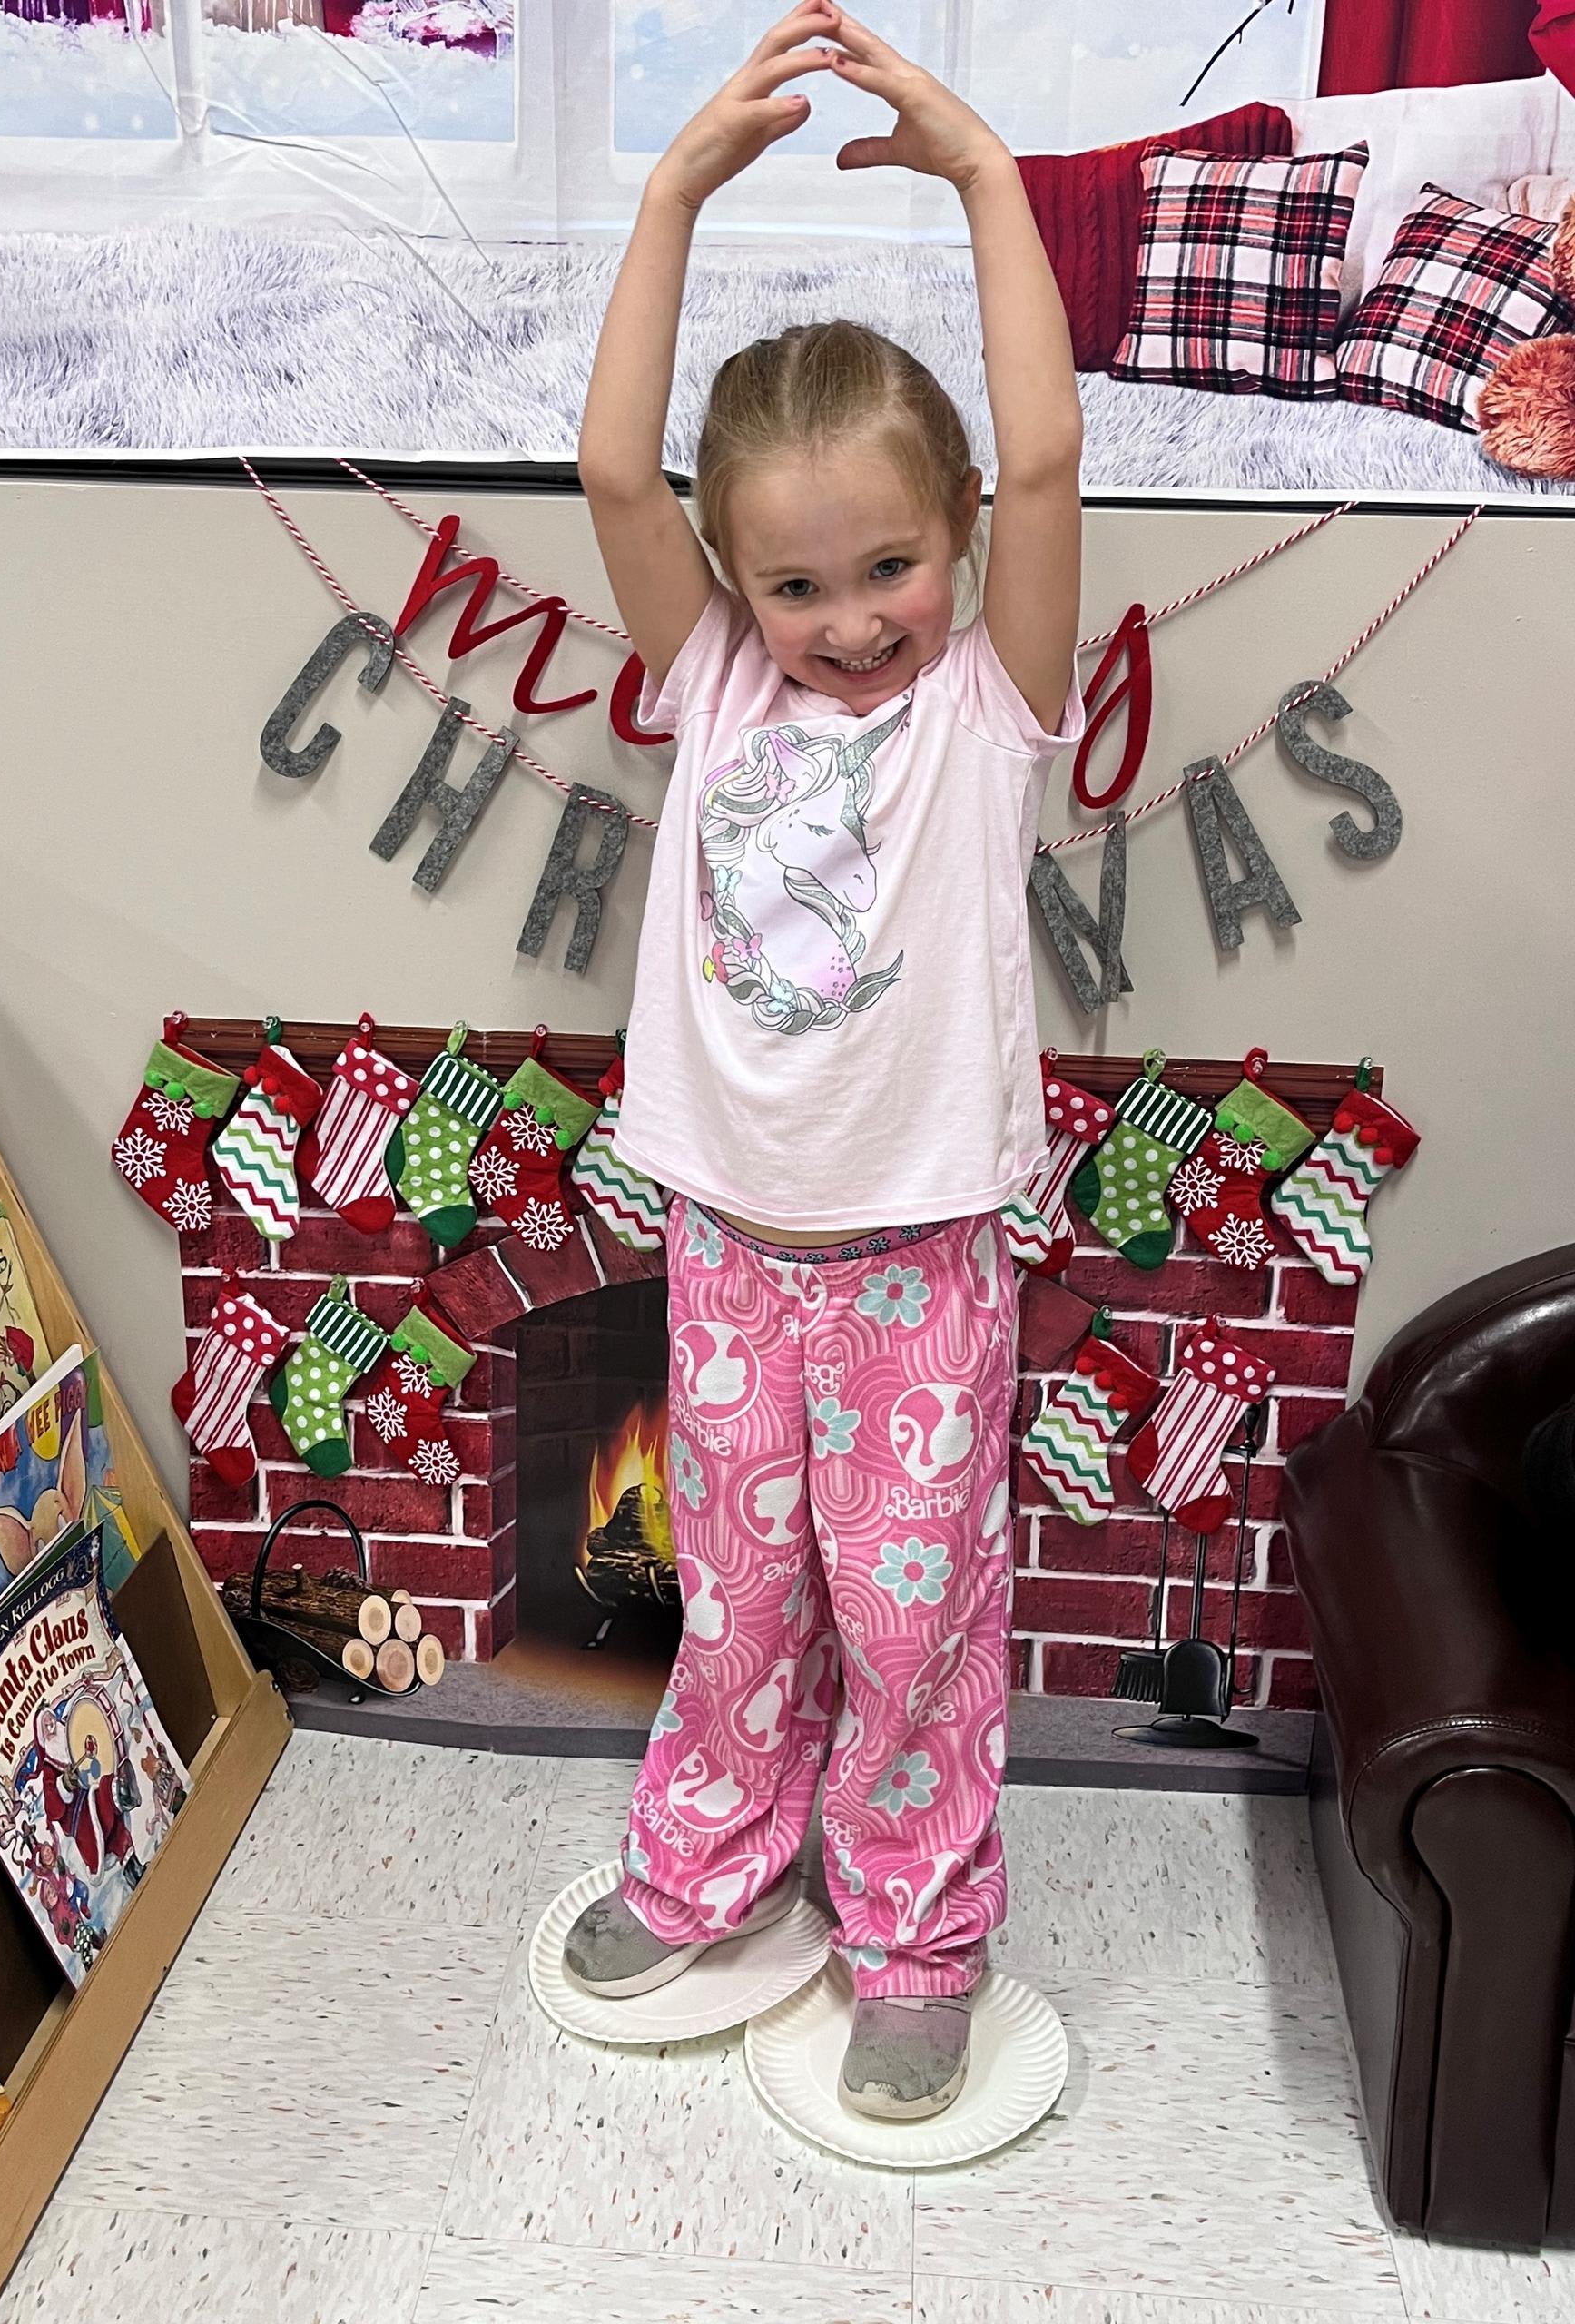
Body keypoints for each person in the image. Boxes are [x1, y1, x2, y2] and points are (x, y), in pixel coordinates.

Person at [566, 5, 1083, 2122]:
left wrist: (985, 177)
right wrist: (672, 192)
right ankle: (707, 1870)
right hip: (729, 1249)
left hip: (917, 1263)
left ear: (956, 529)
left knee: (911, 1622)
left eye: (889, 566)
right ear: (735, 578)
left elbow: (1049, 452)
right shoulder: (715, 680)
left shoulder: (987, 704)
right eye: (797, 582)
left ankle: (917, 1939)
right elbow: (617, 471)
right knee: (738, 1599)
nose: (851, 618)